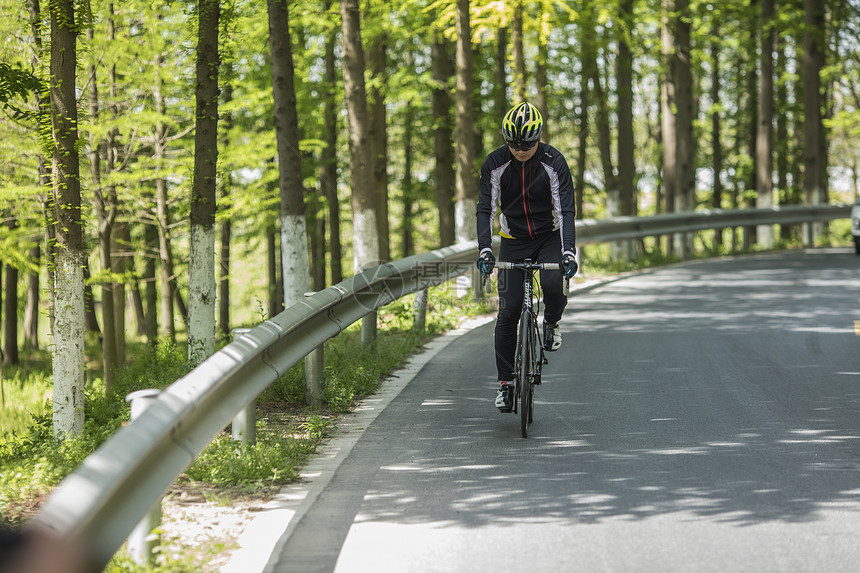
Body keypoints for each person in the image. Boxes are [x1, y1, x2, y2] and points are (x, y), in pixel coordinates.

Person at [475, 101, 577, 412]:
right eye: (514, 144)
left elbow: (566, 209)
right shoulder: (494, 163)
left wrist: (568, 251)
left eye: (528, 144)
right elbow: (485, 208)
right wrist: (485, 248)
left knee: (553, 283)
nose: (521, 150)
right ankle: (505, 383)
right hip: (513, 240)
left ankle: (553, 322)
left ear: (539, 138)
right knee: (508, 311)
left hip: (548, 237)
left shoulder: (553, 161)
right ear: (505, 140)